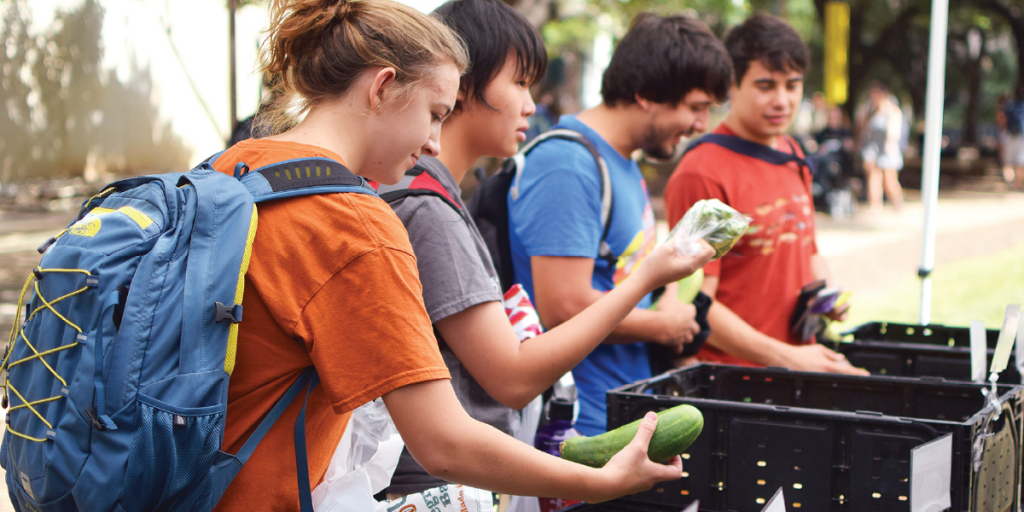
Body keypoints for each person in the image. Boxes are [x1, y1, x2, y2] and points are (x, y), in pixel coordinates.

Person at [211, 0, 687, 509]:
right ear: (381, 87)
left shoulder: (234, 167)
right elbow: (443, 442)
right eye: (435, 114)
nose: (436, 143)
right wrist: (603, 482)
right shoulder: (356, 224)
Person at [381, 0, 715, 498]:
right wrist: (650, 279)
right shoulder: (428, 205)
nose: (531, 105)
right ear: (459, 81)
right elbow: (512, 377)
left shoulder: (436, 193)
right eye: (519, 82)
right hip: (439, 487)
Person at [506, 13, 733, 436]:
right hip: (579, 425)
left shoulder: (623, 162)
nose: (702, 125)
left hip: (624, 410)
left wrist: (669, 302)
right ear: (647, 93)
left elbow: (633, 272)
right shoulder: (568, 164)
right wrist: (665, 327)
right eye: (696, 107)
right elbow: (563, 306)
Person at [663, 13, 867, 375]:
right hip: (733, 380)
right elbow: (692, 299)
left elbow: (809, 250)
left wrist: (826, 293)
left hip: (799, 370)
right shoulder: (703, 171)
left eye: (792, 85)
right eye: (765, 85)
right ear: (732, 86)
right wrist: (786, 357)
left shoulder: (793, 152)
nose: (782, 100)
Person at [858, 81, 905, 214]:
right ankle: (875, 206)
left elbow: (894, 132)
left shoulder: (892, 111)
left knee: (889, 181)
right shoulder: (870, 110)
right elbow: (862, 127)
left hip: (887, 149)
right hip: (872, 148)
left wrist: (891, 146)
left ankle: (897, 202)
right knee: (873, 178)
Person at [998, 88, 1024, 190]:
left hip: (1009, 136)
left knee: (1007, 162)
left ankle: (1010, 183)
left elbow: (1001, 121)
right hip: (1021, 137)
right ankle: (1017, 184)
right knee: (1020, 162)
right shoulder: (1021, 107)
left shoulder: (1007, 107)